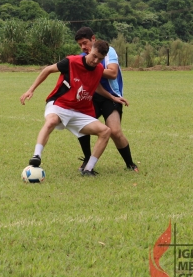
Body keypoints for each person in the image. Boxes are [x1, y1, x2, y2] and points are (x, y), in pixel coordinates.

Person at [20, 40, 128, 176]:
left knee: (106, 131)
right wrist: (31, 90)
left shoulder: (99, 69)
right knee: (52, 121)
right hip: (59, 104)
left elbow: (97, 86)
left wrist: (112, 97)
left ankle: (88, 169)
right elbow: (48, 70)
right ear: (90, 50)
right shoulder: (71, 61)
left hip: (77, 111)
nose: (95, 61)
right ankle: (36, 156)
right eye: (94, 56)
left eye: (100, 59)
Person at [75, 27, 139, 172]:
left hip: (112, 97)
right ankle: (87, 160)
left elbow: (112, 73)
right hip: (93, 97)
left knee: (115, 131)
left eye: (85, 43)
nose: (83, 47)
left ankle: (130, 164)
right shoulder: (82, 57)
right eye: (80, 45)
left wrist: (91, 66)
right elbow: (93, 84)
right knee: (82, 125)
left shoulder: (108, 51)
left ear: (93, 39)